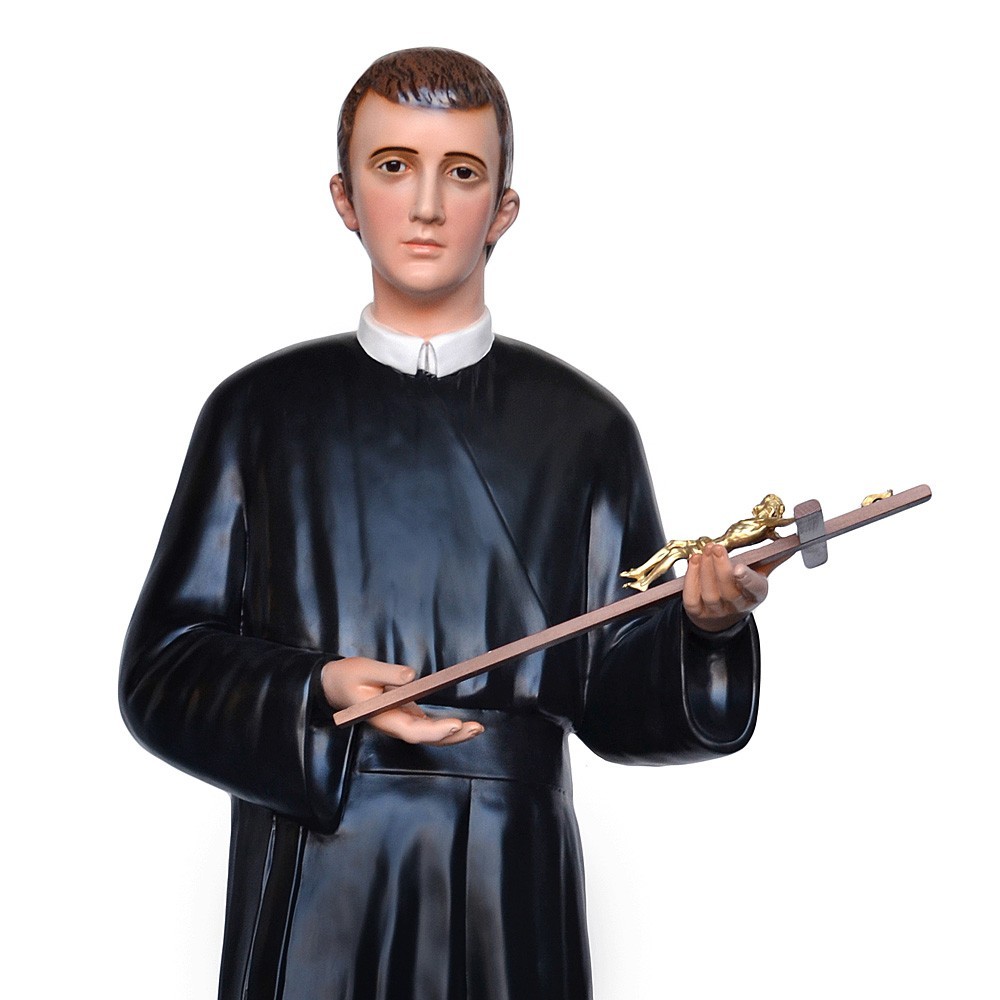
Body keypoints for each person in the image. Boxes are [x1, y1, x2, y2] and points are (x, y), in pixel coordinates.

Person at [121, 47, 770, 1000]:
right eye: (394, 166)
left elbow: (615, 689)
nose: (425, 205)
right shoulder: (257, 411)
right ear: (345, 197)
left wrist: (702, 629)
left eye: (461, 173)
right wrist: (315, 688)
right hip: (316, 861)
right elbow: (164, 670)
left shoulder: (584, 426)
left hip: (512, 870)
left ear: (502, 208)